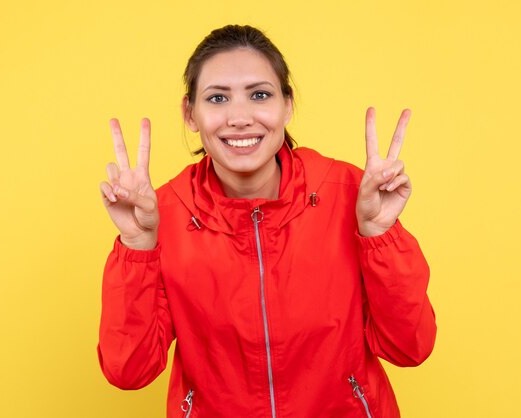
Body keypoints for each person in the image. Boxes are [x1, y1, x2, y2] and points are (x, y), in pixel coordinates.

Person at [97, 24, 436, 418]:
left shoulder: (351, 194)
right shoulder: (161, 215)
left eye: (259, 94)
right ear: (190, 113)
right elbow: (129, 371)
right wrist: (138, 248)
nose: (239, 118)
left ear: (287, 105)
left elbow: (411, 348)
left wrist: (380, 236)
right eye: (217, 98)